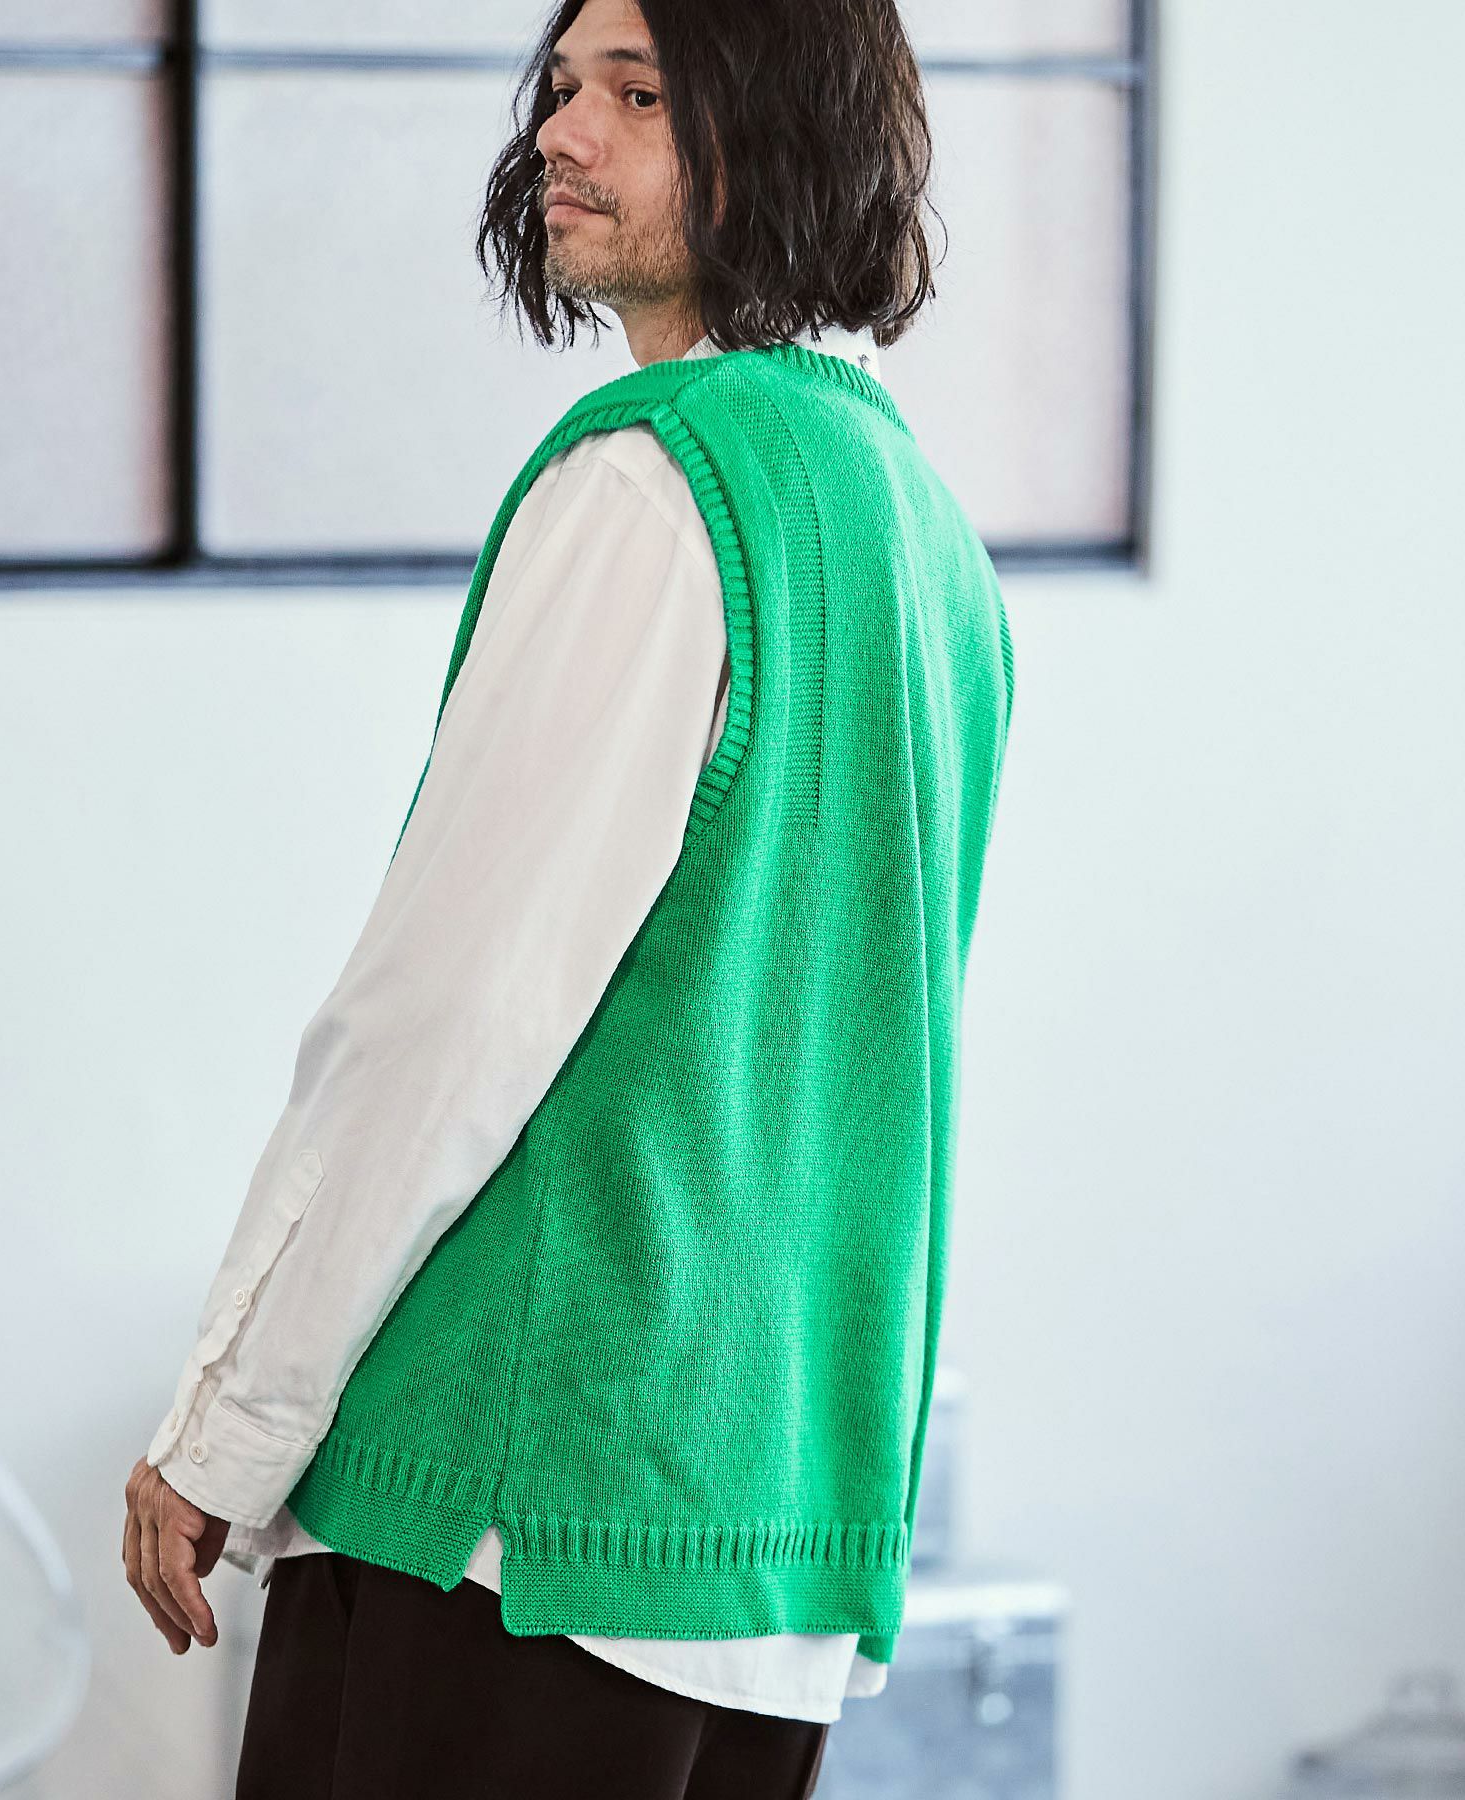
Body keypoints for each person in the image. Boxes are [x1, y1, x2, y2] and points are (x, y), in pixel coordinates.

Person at [122, 0, 1015, 1793]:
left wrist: (225, 1427)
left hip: (513, 1523)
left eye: (640, 93)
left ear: (778, 134)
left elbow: (443, 1020)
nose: (559, 132)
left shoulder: (652, 485)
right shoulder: (924, 536)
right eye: (560, 85)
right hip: (761, 1538)